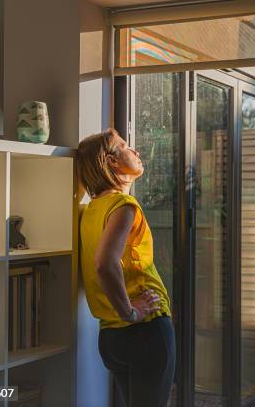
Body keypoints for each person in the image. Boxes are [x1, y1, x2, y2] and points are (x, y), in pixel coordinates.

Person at [77, 128, 175, 407]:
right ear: (111, 161)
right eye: (126, 146)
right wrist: (130, 312)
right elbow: (105, 265)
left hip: (111, 337)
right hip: (144, 330)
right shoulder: (124, 205)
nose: (137, 151)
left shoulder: (91, 209)